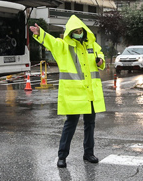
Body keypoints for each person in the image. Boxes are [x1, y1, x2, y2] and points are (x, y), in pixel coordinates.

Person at [29, 16, 106, 167]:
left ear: (84, 32)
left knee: (90, 124)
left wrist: (101, 61)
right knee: (70, 124)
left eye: (80, 31)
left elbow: (100, 54)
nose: (78, 33)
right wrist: (40, 33)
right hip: (74, 94)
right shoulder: (63, 46)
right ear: (70, 33)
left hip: (90, 93)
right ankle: (62, 156)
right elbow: (50, 41)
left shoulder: (92, 45)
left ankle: (89, 153)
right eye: (75, 31)